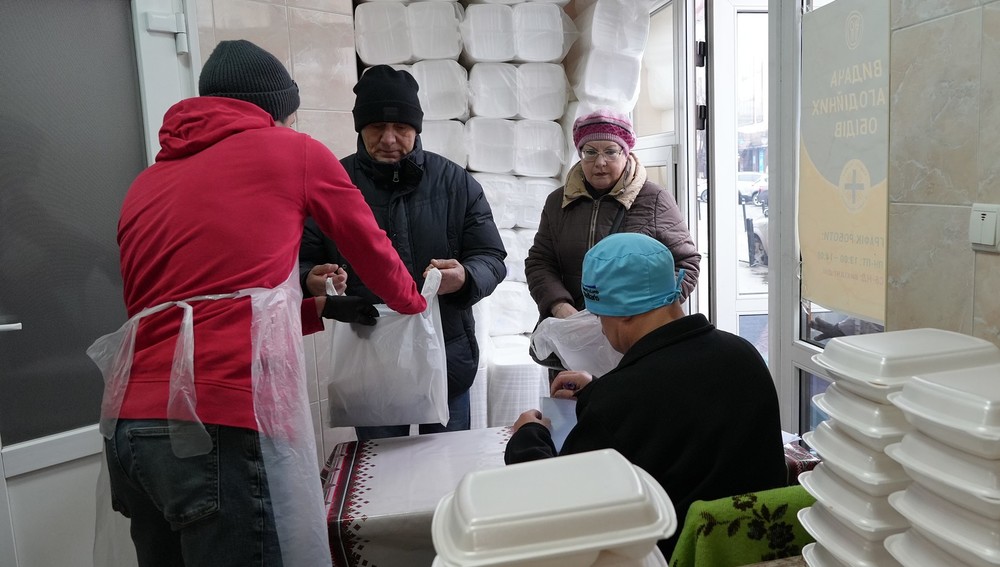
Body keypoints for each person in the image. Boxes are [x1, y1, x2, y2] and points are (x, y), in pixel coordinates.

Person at [88, 40, 426, 567]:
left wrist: (319, 310)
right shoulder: (293, 152)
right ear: (273, 108)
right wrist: (414, 305)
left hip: (128, 425)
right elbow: (373, 251)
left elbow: (188, 313)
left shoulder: (146, 183)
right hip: (212, 422)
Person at [505, 233, 786, 560]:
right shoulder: (743, 355)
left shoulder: (619, 400)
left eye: (600, 317)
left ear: (623, 312)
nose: (602, 328)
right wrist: (596, 387)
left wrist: (528, 436)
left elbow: (559, 507)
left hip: (669, 557)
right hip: (757, 551)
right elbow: (679, 405)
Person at [299, 65, 506, 441]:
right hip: (371, 360)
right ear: (360, 128)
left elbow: (491, 256)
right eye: (377, 127)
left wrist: (466, 277)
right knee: (380, 476)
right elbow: (301, 257)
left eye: (402, 128)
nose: (390, 139)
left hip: (446, 358)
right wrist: (310, 279)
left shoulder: (455, 183)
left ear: (418, 128)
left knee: (447, 467)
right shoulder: (332, 185)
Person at [524, 110, 700, 325]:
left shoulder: (654, 199)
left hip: (636, 333)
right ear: (580, 153)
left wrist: (647, 312)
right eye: (590, 152)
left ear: (626, 153)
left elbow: (686, 263)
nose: (600, 162)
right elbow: (540, 261)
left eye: (611, 151)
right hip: (572, 329)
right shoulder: (558, 202)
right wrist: (559, 306)